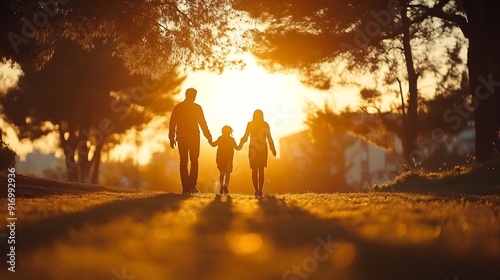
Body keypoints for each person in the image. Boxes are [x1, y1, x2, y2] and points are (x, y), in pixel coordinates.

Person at [169, 88, 212, 194]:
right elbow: (202, 123)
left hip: (181, 137)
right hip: (194, 138)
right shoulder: (197, 108)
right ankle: (192, 186)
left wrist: (171, 138)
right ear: (193, 96)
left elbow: (172, 124)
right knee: (194, 161)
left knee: (183, 161)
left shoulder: (178, 107)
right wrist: (208, 136)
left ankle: (185, 187)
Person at [239, 109, 277, 198]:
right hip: (263, 149)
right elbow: (269, 138)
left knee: (254, 170)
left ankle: (256, 190)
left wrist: (240, 144)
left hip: (253, 149)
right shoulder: (265, 124)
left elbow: (246, 136)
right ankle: (260, 190)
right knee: (261, 170)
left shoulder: (250, 124)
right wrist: (273, 149)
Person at [210, 125, 241, 195]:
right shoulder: (231, 139)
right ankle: (225, 186)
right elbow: (238, 148)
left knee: (221, 173)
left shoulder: (220, 138)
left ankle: (221, 186)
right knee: (228, 173)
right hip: (229, 159)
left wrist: (209, 139)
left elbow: (213, 144)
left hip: (220, 158)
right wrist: (242, 142)